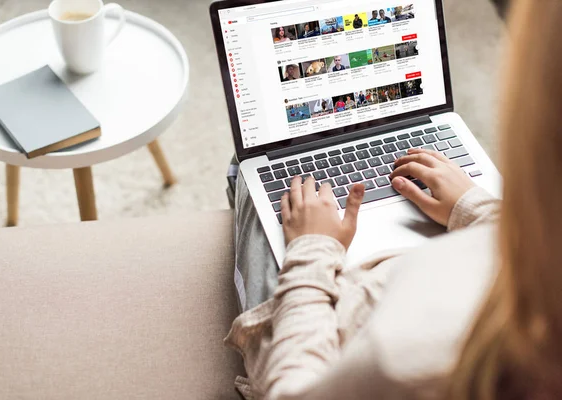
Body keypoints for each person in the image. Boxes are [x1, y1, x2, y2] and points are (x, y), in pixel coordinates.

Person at [225, 0, 562, 398]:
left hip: (329, 328)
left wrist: (312, 251)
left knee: (250, 170)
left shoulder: (405, 361)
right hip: (425, 269)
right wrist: (477, 209)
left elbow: (295, 389)